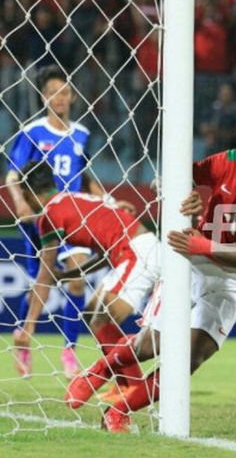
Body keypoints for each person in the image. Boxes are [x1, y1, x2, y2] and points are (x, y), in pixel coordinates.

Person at [65, 114, 236, 432]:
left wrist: (201, 244)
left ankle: (117, 411)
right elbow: (175, 177)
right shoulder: (229, 161)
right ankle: (99, 370)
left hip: (232, 277)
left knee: (191, 358)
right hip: (191, 264)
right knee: (152, 345)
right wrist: (183, 194)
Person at [12, 160, 167, 400]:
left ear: (28, 192)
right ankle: (127, 383)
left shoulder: (48, 217)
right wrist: (68, 275)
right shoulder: (75, 199)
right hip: (132, 251)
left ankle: (131, 383)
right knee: (92, 312)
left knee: (103, 317)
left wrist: (28, 326)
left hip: (138, 254)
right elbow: (105, 253)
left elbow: (44, 274)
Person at [4, 65, 107, 378]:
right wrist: (21, 202)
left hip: (70, 216)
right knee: (40, 285)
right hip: (37, 217)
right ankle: (23, 339)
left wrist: (106, 199)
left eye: (63, 92)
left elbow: (83, 174)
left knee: (76, 277)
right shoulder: (32, 132)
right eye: (51, 93)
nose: (58, 98)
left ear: (72, 96)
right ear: (43, 98)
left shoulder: (82, 134)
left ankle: (69, 351)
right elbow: (12, 175)